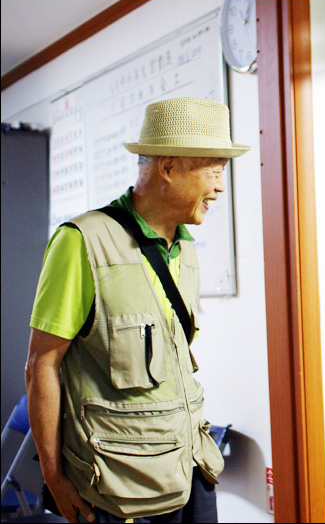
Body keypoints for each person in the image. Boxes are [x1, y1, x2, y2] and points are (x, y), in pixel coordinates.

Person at [25, 97, 250, 523]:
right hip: (118, 487)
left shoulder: (186, 250)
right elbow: (41, 365)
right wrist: (54, 477)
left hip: (190, 471)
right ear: (169, 167)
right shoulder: (81, 242)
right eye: (214, 171)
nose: (220, 187)